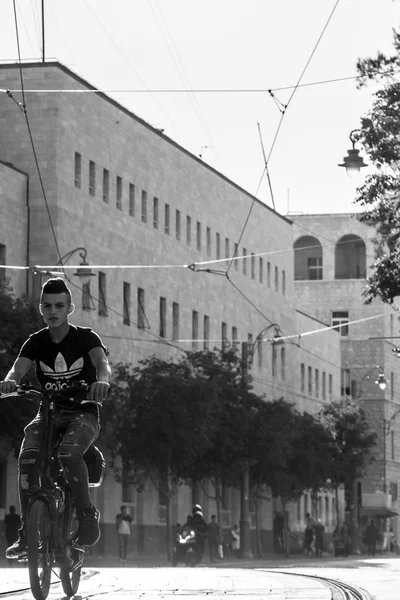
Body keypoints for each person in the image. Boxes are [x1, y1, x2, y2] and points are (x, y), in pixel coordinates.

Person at [0, 277, 111, 559]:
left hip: (83, 413)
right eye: (47, 305)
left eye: (59, 305)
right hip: (48, 413)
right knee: (27, 459)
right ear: (41, 308)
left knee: (69, 453)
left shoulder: (86, 338)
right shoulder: (36, 342)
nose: (53, 311)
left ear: (70, 308)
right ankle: (27, 534)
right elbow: (17, 369)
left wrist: (102, 382)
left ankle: (87, 516)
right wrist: (9, 382)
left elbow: (102, 364)